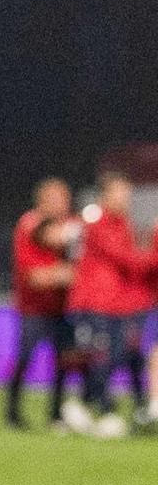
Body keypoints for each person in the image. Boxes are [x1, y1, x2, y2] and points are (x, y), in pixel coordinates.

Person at [65, 172, 152, 437]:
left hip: (117, 304)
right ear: (105, 196)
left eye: (128, 194)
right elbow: (127, 259)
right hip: (95, 303)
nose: (126, 199)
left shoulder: (122, 223)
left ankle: (101, 407)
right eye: (120, 194)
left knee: (122, 356)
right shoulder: (97, 222)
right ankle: (97, 408)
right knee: (104, 356)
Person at [6, 177, 79, 429]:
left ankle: (55, 415)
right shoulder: (29, 224)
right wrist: (64, 274)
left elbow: (82, 267)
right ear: (43, 201)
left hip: (62, 307)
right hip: (33, 307)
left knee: (65, 360)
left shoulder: (72, 225)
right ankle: (12, 413)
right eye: (58, 198)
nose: (64, 203)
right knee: (25, 357)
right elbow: (35, 277)